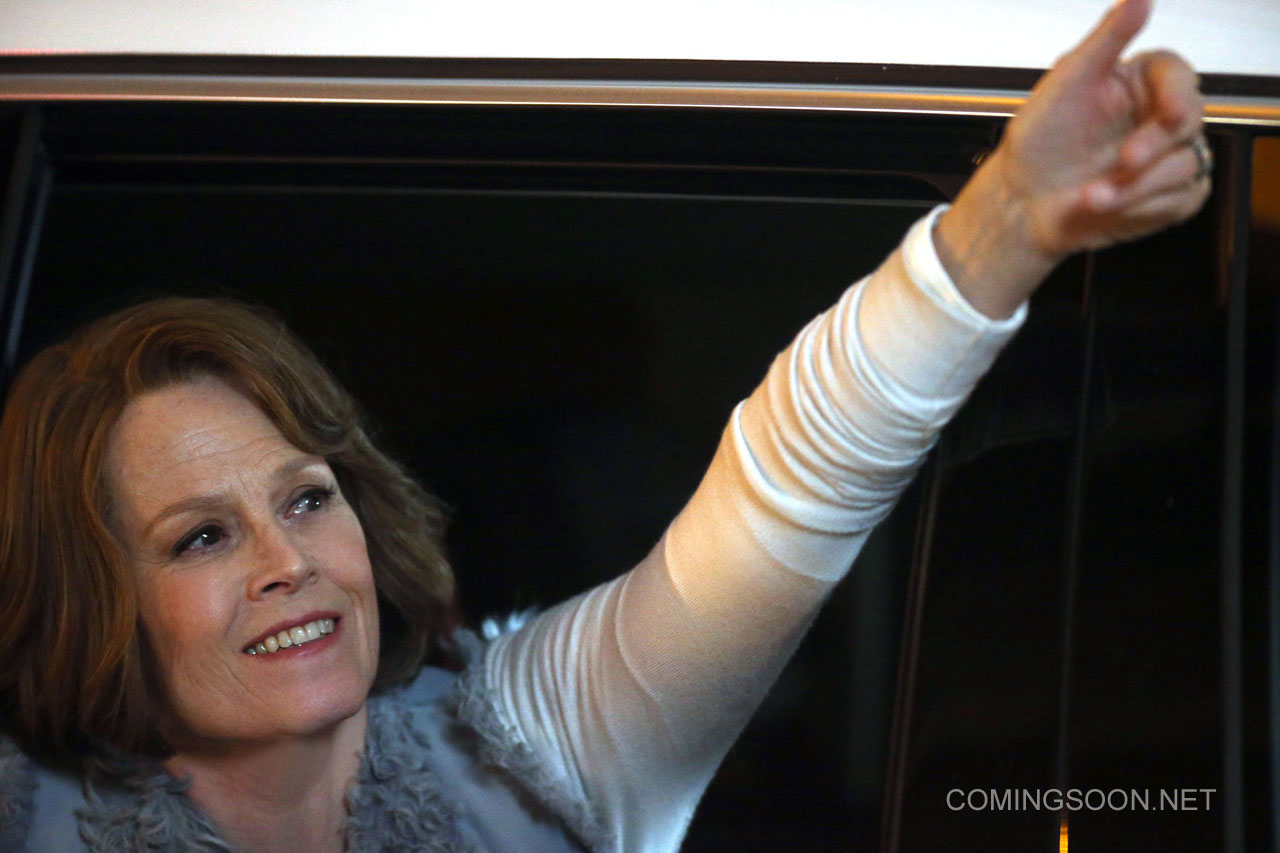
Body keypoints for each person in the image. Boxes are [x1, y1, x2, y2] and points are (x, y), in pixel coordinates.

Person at [0, 0, 1211, 849]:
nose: (288, 563)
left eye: (306, 498)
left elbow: (791, 481)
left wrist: (1006, 222)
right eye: (201, 537)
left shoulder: (533, 747)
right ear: (92, 598)